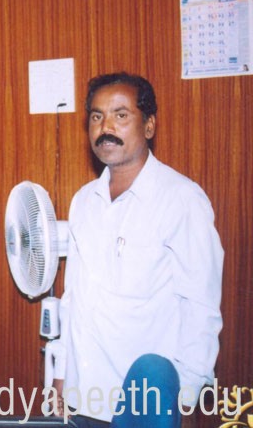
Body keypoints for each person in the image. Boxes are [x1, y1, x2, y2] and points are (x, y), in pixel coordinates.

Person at [53, 72, 224, 427]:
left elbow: (201, 306)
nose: (106, 127)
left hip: (143, 404)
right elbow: (73, 299)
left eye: (121, 115)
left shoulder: (181, 199)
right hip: (83, 396)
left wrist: (183, 397)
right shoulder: (84, 201)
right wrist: (61, 375)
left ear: (148, 126)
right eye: (97, 116)